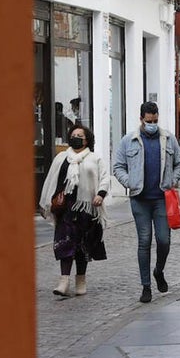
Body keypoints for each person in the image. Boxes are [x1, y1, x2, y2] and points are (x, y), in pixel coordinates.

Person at [113, 102, 180, 304]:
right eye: (149, 121)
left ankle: (159, 271)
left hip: (162, 198)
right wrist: (129, 182)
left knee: (164, 240)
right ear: (141, 119)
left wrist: (172, 180)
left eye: (155, 120)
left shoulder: (168, 138)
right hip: (140, 199)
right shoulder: (129, 140)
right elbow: (118, 166)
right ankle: (146, 286)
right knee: (144, 241)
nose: (152, 124)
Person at [39, 123, 109, 297]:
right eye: (73, 135)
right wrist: (46, 202)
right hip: (66, 208)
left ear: (87, 140)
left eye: (80, 136)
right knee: (65, 242)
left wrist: (100, 194)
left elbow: (104, 178)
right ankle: (64, 281)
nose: (76, 138)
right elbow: (51, 180)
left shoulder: (94, 158)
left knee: (82, 245)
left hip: (86, 208)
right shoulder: (61, 157)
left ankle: (81, 279)